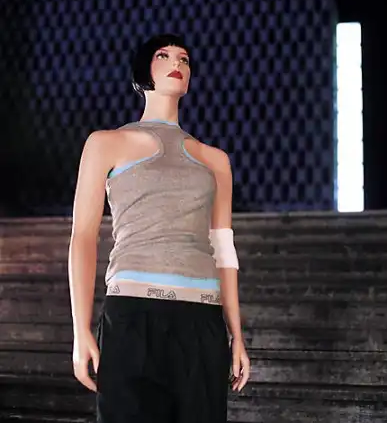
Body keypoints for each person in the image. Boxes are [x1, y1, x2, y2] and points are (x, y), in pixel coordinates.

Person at [68, 33, 250, 423]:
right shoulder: (106, 143)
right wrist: (80, 330)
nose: (177, 64)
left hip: (201, 319)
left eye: (184, 59)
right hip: (132, 314)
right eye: (164, 56)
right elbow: (82, 236)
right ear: (143, 70)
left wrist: (236, 332)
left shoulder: (215, 160)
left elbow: (223, 247)